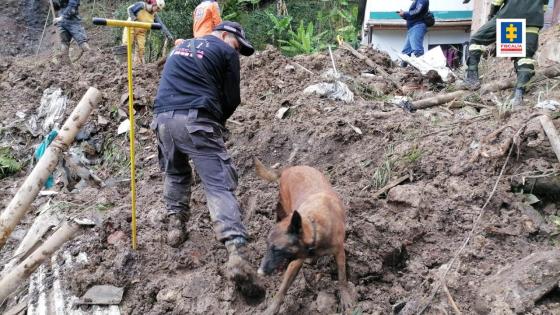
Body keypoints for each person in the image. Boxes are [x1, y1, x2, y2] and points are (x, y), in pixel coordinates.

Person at [152, 21, 264, 300]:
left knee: (176, 174)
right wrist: (218, 122)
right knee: (217, 184)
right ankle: (235, 249)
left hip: (162, 120)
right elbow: (232, 98)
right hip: (196, 119)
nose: (236, 52)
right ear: (225, 36)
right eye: (237, 46)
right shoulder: (225, 52)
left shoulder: (179, 50)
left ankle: (175, 227)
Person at [464, 0, 548, 106]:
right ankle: (519, 93)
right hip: (533, 20)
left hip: (509, 17)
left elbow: (497, 2)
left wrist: (492, 16)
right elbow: (544, 7)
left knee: (476, 40)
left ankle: (472, 75)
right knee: (524, 57)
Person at [122, 0, 173, 64]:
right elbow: (129, 9)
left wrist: (168, 35)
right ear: (154, 4)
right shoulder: (141, 5)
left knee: (141, 49)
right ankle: (123, 65)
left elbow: (161, 25)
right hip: (131, 26)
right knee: (127, 45)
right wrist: (134, 19)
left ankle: (137, 67)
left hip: (141, 32)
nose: (157, 10)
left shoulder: (154, 15)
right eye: (157, 8)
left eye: (158, 10)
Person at [398, 0, 430, 66]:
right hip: (412, 28)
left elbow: (417, 11)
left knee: (417, 50)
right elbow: (414, 15)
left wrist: (405, 14)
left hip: (417, 26)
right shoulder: (417, 1)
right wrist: (404, 15)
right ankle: (401, 72)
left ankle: (423, 70)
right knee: (405, 52)